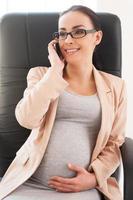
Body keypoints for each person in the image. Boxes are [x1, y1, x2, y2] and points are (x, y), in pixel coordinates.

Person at [0, 5, 127, 200]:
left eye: (78, 32)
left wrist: (93, 179)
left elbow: (114, 143)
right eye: (62, 34)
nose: (68, 40)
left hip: (83, 189)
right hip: (29, 182)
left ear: (97, 37)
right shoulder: (41, 75)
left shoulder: (116, 87)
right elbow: (27, 119)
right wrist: (55, 70)